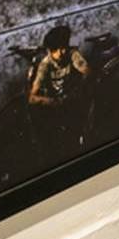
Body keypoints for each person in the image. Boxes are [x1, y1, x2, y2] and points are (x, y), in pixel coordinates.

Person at [29, 25, 91, 155]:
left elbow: (87, 71)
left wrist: (78, 88)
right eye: (57, 49)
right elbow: (32, 97)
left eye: (63, 47)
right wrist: (51, 101)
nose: (61, 52)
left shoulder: (72, 54)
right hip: (55, 105)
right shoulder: (45, 64)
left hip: (72, 100)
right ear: (50, 50)